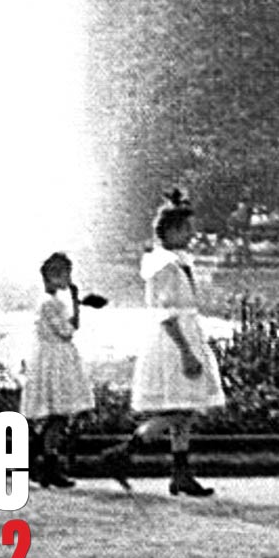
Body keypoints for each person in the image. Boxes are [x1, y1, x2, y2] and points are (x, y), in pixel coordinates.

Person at [102, 189, 225, 497]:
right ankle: (124, 451)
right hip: (173, 340)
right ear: (170, 231)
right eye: (185, 229)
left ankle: (180, 473)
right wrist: (186, 352)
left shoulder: (176, 261)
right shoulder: (164, 265)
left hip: (184, 333)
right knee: (181, 409)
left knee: (186, 407)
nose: (190, 235)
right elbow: (166, 313)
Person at [21, 251, 106, 489]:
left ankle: (39, 461)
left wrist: (75, 301)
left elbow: (69, 327)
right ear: (52, 277)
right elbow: (68, 330)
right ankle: (45, 464)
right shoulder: (50, 303)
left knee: (57, 415)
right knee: (58, 414)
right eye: (65, 274)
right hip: (55, 360)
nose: (68, 279)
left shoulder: (51, 301)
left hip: (54, 358)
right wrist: (76, 303)